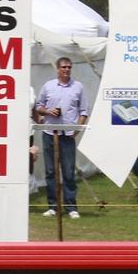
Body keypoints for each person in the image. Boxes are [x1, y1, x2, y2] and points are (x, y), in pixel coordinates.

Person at [35, 57, 89, 219]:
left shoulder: (78, 87)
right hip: (50, 133)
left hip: (67, 135)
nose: (66, 70)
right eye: (64, 67)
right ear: (58, 69)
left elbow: (84, 111)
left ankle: (71, 207)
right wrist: (48, 111)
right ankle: (52, 206)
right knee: (51, 172)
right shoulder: (48, 86)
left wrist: (77, 130)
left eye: (69, 67)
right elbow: (38, 106)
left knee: (68, 172)